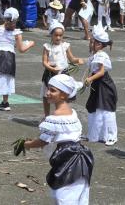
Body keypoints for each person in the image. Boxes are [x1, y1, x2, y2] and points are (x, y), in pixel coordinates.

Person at [18, 73, 94, 205]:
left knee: (64, 194)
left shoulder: (55, 118)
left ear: (64, 95)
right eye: (48, 88)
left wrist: (26, 144)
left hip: (67, 159)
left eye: (52, 90)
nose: (47, 92)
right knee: (78, 193)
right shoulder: (72, 113)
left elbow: (43, 141)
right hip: (82, 157)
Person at [0, 8, 34, 113]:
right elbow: (21, 49)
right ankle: (5, 103)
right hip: (10, 56)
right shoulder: (17, 32)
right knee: (7, 77)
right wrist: (30, 44)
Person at [83, 25, 118, 146]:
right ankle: (94, 134)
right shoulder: (95, 55)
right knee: (94, 107)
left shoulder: (102, 55)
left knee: (105, 109)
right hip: (96, 84)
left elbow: (101, 71)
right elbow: (85, 63)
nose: (90, 44)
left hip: (104, 85)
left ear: (98, 44)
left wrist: (90, 79)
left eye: (92, 42)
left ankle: (111, 135)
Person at [41, 21, 81, 116]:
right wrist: (51, 68)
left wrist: (78, 60)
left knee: (63, 94)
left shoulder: (65, 46)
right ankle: (47, 116)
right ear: (51, 35)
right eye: (56, 35)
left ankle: (61, 113)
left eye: (60, 35)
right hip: (51, 73)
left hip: (63, 73)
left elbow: (71, 58)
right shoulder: (47, 47)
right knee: (47, 95)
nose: (58, 38)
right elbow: (44, 62)